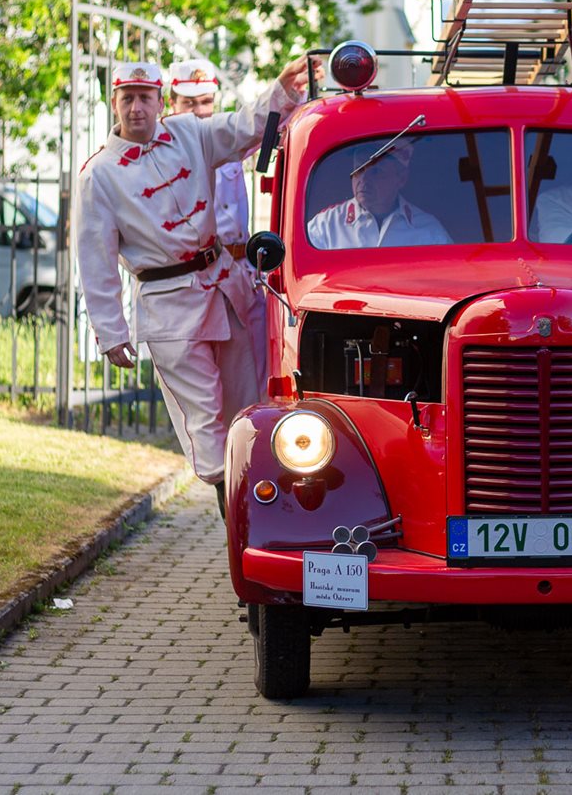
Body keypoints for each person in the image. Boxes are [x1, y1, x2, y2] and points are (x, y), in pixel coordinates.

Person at [74, 56, 321, 517]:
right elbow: (95, 259)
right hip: (168, 308)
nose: (136, 109)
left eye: (144, 98)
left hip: (225, 289)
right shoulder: (99, 175)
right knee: (206, 418)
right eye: (127, 98)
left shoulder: (190, 133)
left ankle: (264, 512)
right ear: (114, 102)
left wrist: (283, 90)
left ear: (160, 102)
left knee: (249, 406)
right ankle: (237, 519)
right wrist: (110, 331)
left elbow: (244, 126)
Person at [168, 58, 266, 392]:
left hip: (241, 274)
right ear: (171, 103)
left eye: (205, 102)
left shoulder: (224, 137)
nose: (199, 111)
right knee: (205, 393)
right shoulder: (164, 153)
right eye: (189, 103)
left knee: (251, 384)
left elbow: (263, 127)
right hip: (197, 280)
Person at [306, 142, 451, 248]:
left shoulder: (429, 232)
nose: (363, 179)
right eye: (358, 170)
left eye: (375, 171)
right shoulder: (325, 226)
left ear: (401, 178)